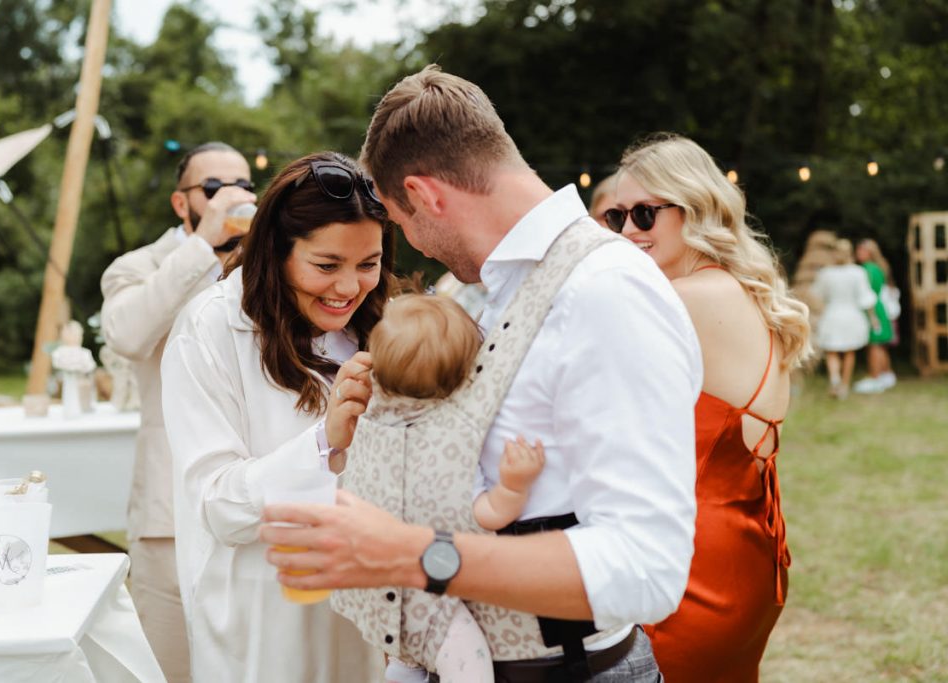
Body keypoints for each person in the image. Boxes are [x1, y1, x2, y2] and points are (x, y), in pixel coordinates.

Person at [261, 65, 702, 683]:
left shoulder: (605, 293)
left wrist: (412, 555)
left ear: (427, 196)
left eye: (401, 220)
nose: (412, 244)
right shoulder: (480, 295)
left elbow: (646, 567)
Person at [159, 151, 389, 682]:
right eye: (326, 265)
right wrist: (323, 441)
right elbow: (216, 502)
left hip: (363, 615)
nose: (349, 287)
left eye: (368, 264)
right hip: (261, 625)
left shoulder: (378, 325)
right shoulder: (211, 328)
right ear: (276, 251)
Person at [610, 134, 813, 682]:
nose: (628, 230)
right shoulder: (732, 291)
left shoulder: (687, 300)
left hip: (692, 572)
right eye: (617, 216)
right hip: (746, 554)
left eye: (645, 214)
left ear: (694, 208)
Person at [99, 141, 256, 681]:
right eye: (213, 189)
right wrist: (204, 248)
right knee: (169, 670)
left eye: (242, 187)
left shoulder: (268, 263)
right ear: (180, 202)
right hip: (169, 511)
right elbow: (127, 334)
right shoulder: (138, 266)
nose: (229, 198)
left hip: (255, 508)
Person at [352, 293, 546, 683]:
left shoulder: (370, 418)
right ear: (465, 379)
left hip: (381, 587)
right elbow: (483, 513)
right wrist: (514, 484)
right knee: (469, 665)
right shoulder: (450, 439)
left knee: (404, 663)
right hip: (433, 598)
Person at [812, 238, 877, 399]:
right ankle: (844, 385)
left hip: (832, 315)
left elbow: (818, 295)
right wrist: (873, 317)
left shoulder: (825, 273)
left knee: (832, 351)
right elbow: (865, 298)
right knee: (849, 351)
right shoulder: (858, 272)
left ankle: (835, 379)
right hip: (852, 316)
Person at [853, 238, 897, 393]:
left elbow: (864, 293)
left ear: (870, 253)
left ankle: (875, 377)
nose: (857, 253)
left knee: (874, 345)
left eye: (861, 250)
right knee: (880, 345)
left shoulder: (866, 270)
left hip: (872, 308)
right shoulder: (877, 268)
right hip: (879, 307)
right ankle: (886, 374)